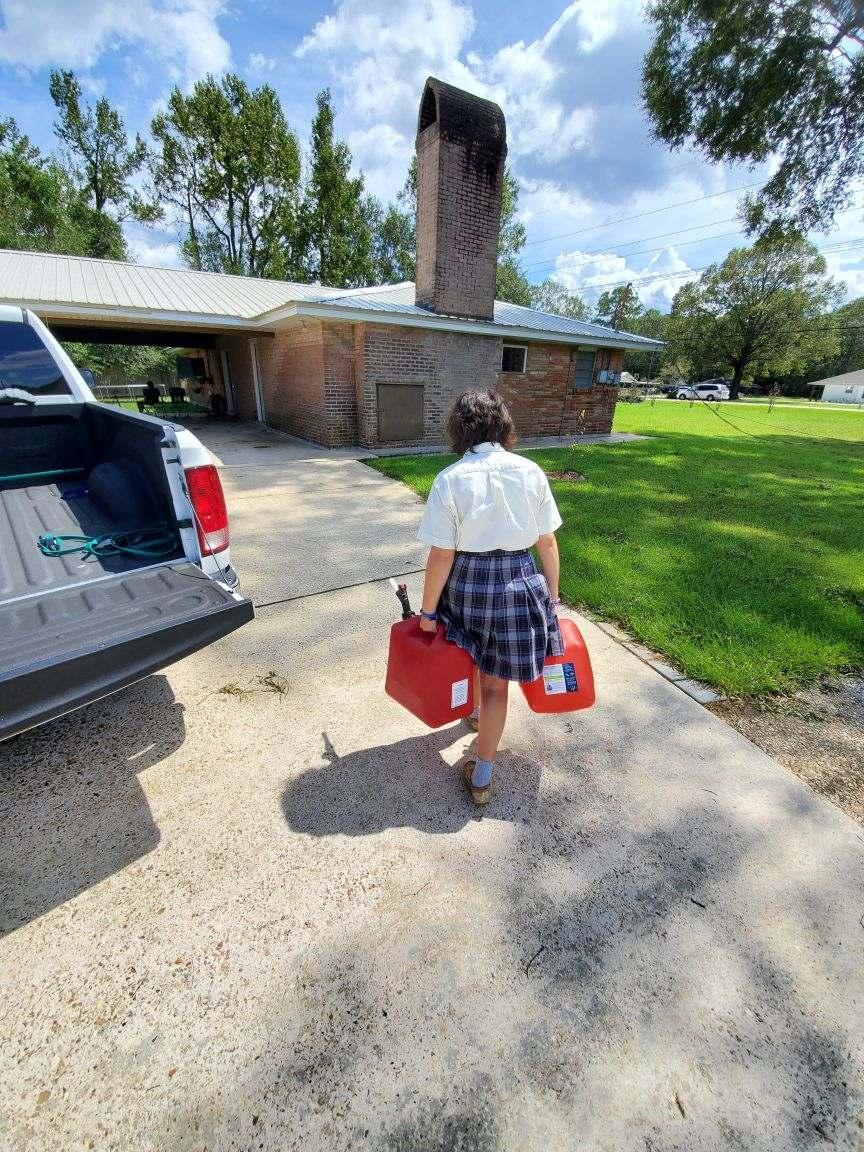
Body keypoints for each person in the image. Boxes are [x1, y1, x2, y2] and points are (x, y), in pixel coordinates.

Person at [417, 390, 564, 806]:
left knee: (471, 654)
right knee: (497, 684)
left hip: (468, 583)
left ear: (459, 430)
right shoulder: (530, 471)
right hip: (519, 579)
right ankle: (481, 773)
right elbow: (547, 542)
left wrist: (428, 611)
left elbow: (442, 554)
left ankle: (477, 715)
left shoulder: (450, 479)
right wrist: (552, 599)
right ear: (504, 426)